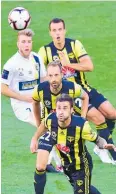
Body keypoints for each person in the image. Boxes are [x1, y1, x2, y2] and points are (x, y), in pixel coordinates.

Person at [38, 18, 116, 164]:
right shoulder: (45, 51)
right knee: (99, 118)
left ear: (64, 30)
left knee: (112, 114)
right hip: (69, 95)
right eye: (54, 31)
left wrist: (68, 64)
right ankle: (113, 154)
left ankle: (101, 147)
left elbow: (89, 66)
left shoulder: (74, 44)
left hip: (84, 87)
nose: (58, 34)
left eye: (60, 29)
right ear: (50, 33)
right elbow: (41, 77)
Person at [30, 94, 116, 194]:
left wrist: (104, 145)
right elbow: (43, 125)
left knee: (81, 190)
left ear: (72, 110)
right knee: (85, 188)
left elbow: (97, 139)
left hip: (82, 167)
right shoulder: (51, 119)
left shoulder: (81, 125)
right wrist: (34, 138)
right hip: (66, 165)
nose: (61, 112)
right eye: (59, 108)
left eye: (65, 108)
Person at [1, 28, 60, 173]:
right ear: (18, 44)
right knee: (46, 126)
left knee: (52, 125)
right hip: (22, 106)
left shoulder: (36, 58)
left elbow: (44, 79)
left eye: (28, 42)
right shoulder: (11, 64)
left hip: (38, 101)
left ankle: (46, 162)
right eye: (23, 42)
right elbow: (2, 88)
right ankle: (61, 164)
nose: (26, 45)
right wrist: (24, 98)